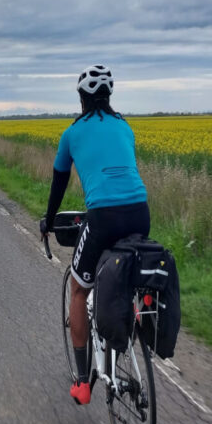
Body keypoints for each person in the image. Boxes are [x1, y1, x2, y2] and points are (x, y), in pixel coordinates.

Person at [40, 65, 150, 405]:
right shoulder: (125, 127)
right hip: (140, 213)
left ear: (82, 98)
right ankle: (127, 323)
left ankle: (83, 383)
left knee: (78, 288)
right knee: (126, 274)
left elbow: (59, 183)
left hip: (102, 218)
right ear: (109, 96)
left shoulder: (72, 134)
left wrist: (47, 219)